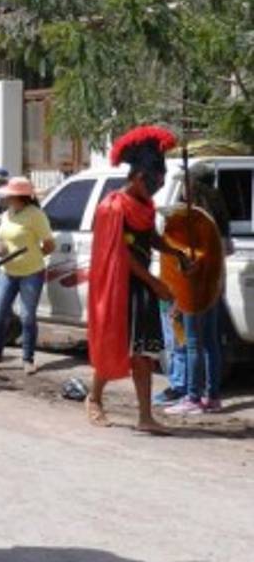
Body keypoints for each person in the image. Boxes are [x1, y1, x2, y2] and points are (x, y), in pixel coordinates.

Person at [86, 125, 190, 434]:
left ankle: (145, 416)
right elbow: (121, 254)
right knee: (116, 346)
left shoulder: (145, 205)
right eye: (153, 183)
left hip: (141, 284)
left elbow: (149, 238)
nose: (156, 190)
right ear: (137, 177)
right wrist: (156, 283)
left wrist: (176, 252)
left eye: (160, 184)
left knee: (143, 351)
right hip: (118, 286)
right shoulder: (112, 207)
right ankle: (94, 398)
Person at [159, 164, 232, 416]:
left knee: (193, 344)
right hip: (214, 287)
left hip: (194, 288)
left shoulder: (196, 218)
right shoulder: (216, 217)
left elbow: (189, 259)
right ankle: (212, 396)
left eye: (186, 184)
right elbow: (226, 251)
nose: (182, 189)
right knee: (210, 344)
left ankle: (193, 396)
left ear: (194, 186)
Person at [0, 176, 54, 374]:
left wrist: (34, 256)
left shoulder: (35, 215)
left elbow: (49, 244)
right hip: (8, 272)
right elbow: (0, 240)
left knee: (27, 317)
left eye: (9, 195)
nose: (5, 198)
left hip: (32, 273)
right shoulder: (7, 214)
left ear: (20, 197)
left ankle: (28, 359)